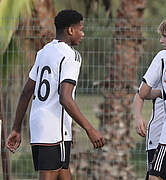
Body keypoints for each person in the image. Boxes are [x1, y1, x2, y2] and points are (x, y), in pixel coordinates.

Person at [6, 9, 105, 180]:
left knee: (62, 171)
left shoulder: (43, 52)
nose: (83, 33)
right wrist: (90, 129)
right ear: (70, 30)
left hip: (38, 125)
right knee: (51, 173)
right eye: (81, 29)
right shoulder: (71, 56)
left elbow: (26, 91)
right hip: (54, 128)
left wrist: (16, 128)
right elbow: (65, 98)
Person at [137, 18, 166, 180]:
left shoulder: (164, 56)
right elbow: (141, 93)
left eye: (165, 36)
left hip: (163, 134)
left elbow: (142, 93)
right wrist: (161, 93)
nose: (161, 40)